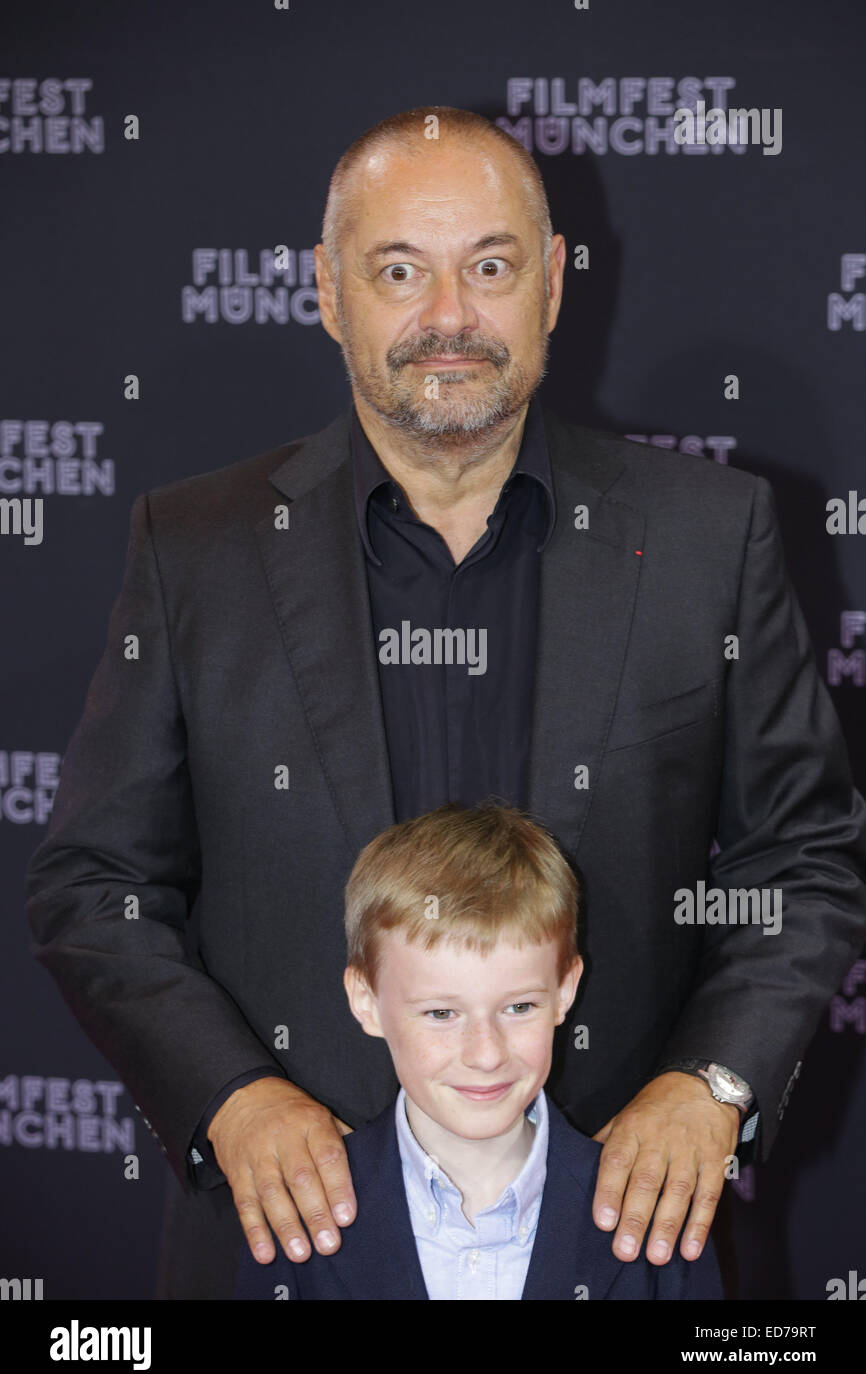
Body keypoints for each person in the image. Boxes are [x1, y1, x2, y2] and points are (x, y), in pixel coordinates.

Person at [25, 105, 866, 1300]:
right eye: (398, 271)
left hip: (620, 1243)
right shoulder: (196, 548)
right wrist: (232, 1095)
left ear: (553, 284)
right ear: (326, 291)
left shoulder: (702, 536)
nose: (448, 319)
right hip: (283, 1248)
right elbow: (92, 882)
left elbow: (806, 862)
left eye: (488, 265)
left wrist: (710, 1086)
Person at [235, 800, 722, 1300]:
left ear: (566, 990)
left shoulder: (657, 1215)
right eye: (442, 1014)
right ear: (367, 1002)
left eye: (519, 1008)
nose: (486, 1055)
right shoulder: (293, 1211)